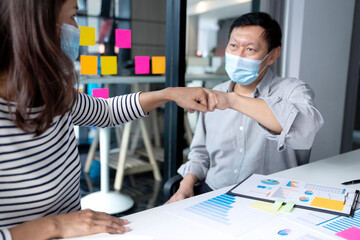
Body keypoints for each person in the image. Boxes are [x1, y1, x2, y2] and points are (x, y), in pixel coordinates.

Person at [0, 0, 219, 239]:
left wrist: (168, 94)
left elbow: (105, 111)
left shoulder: (53, 92)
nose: (77, 29)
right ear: (36, 24)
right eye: (73, 16)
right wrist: (56, 226)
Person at [166, 12, 324, 203]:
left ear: (273, 55)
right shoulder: (216, 92)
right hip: (213, 194)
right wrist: (186, 185)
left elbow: (306, 130)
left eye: (250, 49)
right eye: (233, 46)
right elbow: (200, 154)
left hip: (267, 201)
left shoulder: (292, 90)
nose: (238, 56)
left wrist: (233, 100)